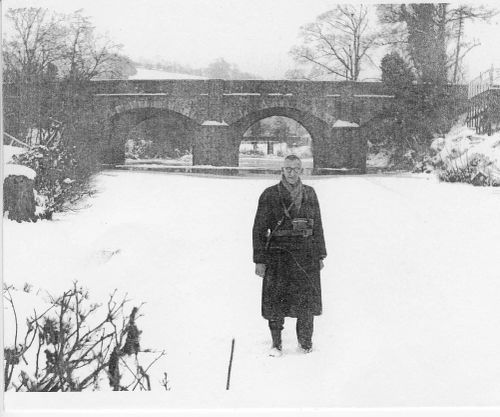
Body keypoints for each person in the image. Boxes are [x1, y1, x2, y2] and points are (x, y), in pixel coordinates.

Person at [252, 154, 327, 357]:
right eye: (288, 169)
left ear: (301, 171)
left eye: (296, 169)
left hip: (305, 254)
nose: (292, 173)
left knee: (306, 300)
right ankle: (276, 344)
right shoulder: (269, 194)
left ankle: (305, 343)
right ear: (282, 170)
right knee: (276, 299)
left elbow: (317, 225)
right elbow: (259, 229)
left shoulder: (310, 193)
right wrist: (260, 259)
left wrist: (320, 254)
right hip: (278, 254)